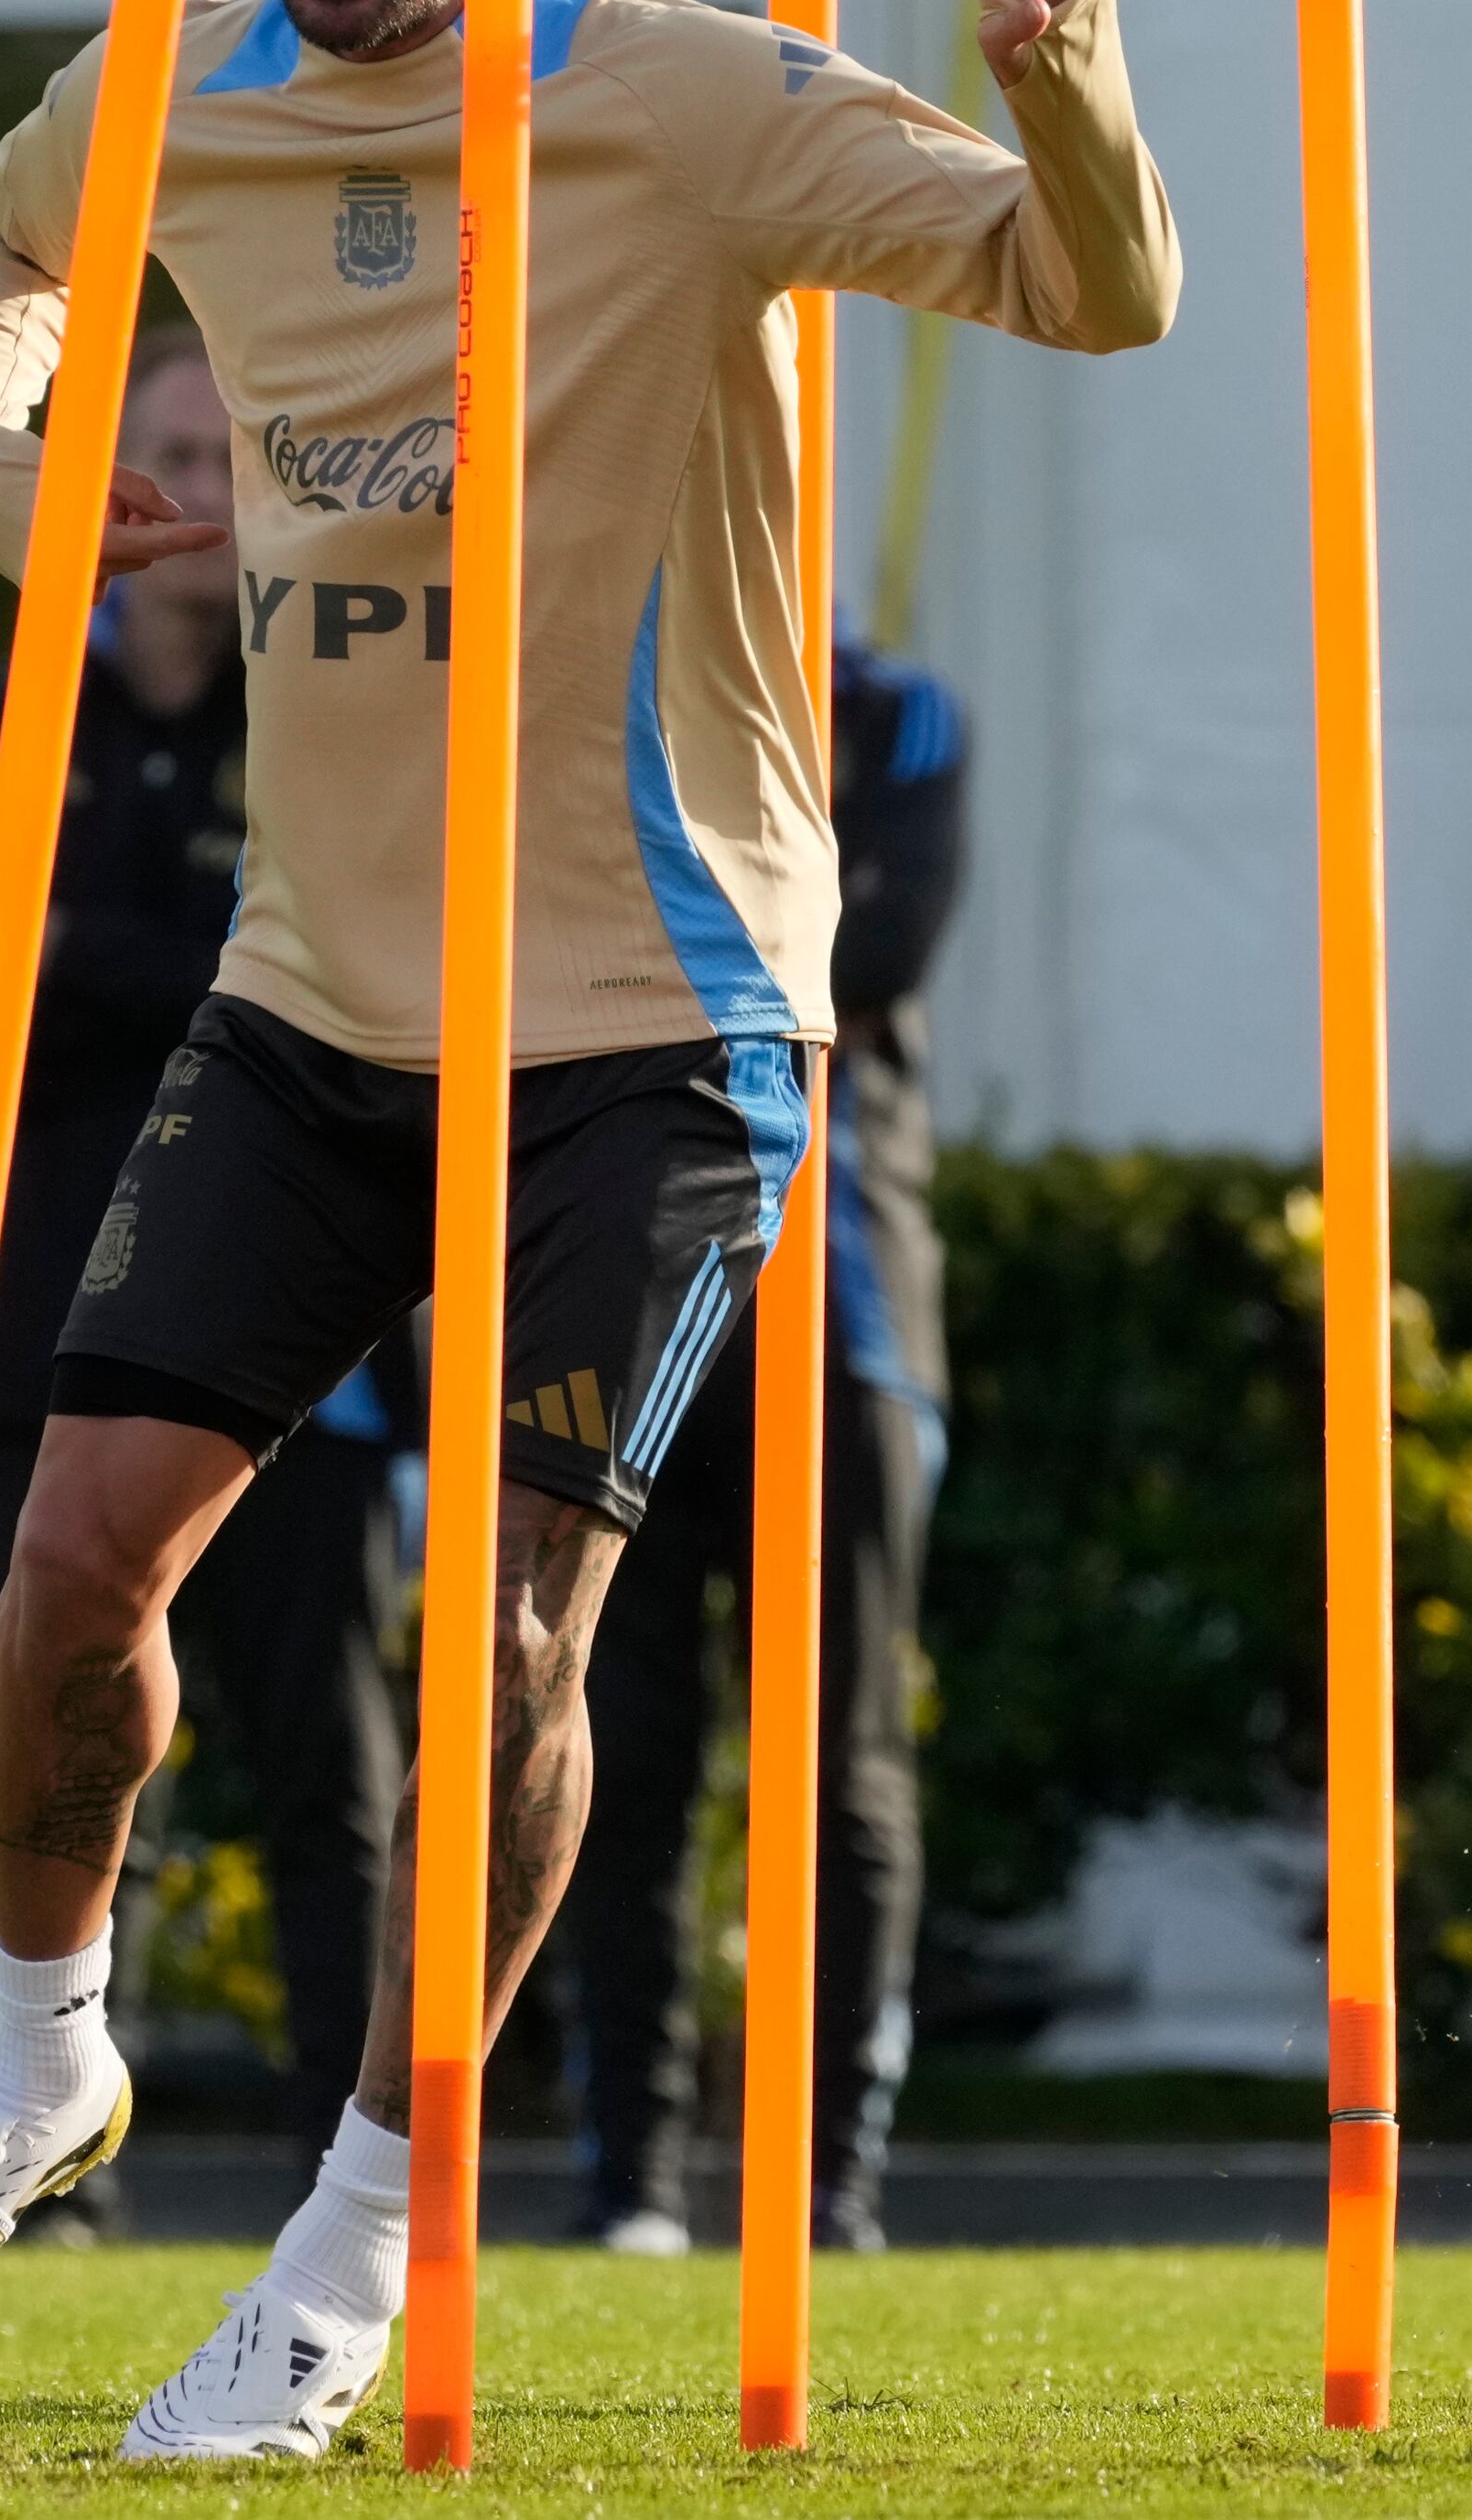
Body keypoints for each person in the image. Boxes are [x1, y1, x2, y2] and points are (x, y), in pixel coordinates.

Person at [0, 0, 1174, 2460]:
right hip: (326, 982)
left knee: (510, 1622)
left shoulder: (682, 97)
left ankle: (360, 2230)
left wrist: (1053, 56)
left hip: (658, 1005)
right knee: (74, 1554)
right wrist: (15, 464)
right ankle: (46, 2038)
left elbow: (1098, 293)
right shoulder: (181, 95)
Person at [0, 323, 409, 2184]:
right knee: (51, 1712)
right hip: (47, 1300)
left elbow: (309, 975)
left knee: (318, 1761)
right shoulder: (9, 714)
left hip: (298, 1299)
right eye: (161, 456)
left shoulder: (319, 701)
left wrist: (107, 957)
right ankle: (42, 2130)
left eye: (225, 455)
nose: (191, 494)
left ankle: (332, 2160)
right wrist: (181, 969)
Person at [568, 633, 968, 2256]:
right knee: (616, 1734)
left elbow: (879, 936)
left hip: (848, 1296)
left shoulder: (894, 704)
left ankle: (827, 2179)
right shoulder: (606, 659)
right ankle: (630, 2178)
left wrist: (674, 948)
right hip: (639, 1281)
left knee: (845, 1750)